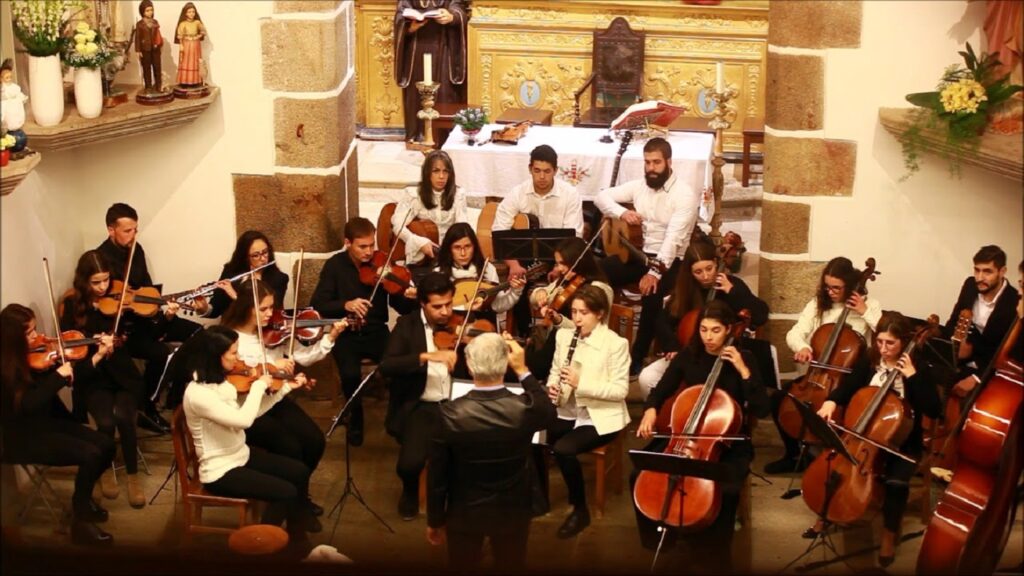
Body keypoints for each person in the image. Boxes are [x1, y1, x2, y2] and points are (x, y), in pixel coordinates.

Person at [633, 300, 770, 572]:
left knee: (726, 489)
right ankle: (662, 537)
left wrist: (743, 370)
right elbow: (661, 389)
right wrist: (650, 410)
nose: (708, 337)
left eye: (716, 330)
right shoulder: (690, 355)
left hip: (726, 442)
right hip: (683, 434)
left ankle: (715, 556)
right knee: (638, 474)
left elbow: (762, 409)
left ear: (729, 329)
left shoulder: (746, 359)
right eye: (704, 330)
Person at [814, 312, 941, 566]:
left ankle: (888, 535)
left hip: (901, 442)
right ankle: (827, 513)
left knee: (895, 483)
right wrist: (830, 401)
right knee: (835, 462)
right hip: (862, 435)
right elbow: (848, 387)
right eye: (880, 342)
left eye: (890, 343)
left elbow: (934, 409)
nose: (883, 349)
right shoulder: (870, 361)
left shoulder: (919, 367)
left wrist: (912, 376)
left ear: (904, 342)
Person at [219, 279, 347, 524]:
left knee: (315, 440)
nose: (271, 315)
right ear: (246, 307)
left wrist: (330, 337)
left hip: (274, 400)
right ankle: (295, 504)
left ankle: (297, 497)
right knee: (291, 448)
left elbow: (305, 357)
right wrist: (268, 368)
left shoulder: (275, 332)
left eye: (272, 308)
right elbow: (233, 382)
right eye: (264, 309)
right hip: (248, 410)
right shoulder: (230, 338)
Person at [426, 333, 556, 571]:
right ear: (505, 363)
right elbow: (549, 412)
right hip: (513, 506)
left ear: (469, 366)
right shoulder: (525, 409)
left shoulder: (449, 414)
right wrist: (523, 369)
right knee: (511, 564)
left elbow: (437, 476)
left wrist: (435, 519)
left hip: (465, 509)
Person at [180, 325, 315, 547]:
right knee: (286, 493)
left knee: (299, 472)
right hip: (220, 471)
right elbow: (244, 421)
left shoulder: (221, 382)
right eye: (233, 352)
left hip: (239, 455)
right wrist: (258, 387)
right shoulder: (199, 395)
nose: (239, 357)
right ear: (215, 356)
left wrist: (285, 388)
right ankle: (259, 546)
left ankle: (295, 537)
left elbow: (251, 412)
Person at [1, 304, 116, 546]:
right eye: (29, 333)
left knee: (106, 444)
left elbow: (74, 373)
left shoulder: (38, 356)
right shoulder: (5, 369)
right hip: (21, 437)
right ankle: (81, 522)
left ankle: (81, 501)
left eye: (35, 329)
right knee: (91, 454)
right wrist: (56, 379)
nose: (37, 337)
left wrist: (97, 353)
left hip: (47, 425)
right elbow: (27, 405)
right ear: (12, 338)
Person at [764, 257, 882, 474]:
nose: (830, 292)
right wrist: (802, 347)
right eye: (827, 286)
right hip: (817, 375)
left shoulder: (871, 306)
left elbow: (884, 338)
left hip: (850, 379)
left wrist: (864, 311)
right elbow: (795, 333)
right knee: (779, 399)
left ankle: (833, 461)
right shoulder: (818, 304)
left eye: (836, 287)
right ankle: (793, 455)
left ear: (850, 284)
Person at [595, 137, 703, 375]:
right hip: (638, 253)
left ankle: (637, 356)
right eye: (647, 162)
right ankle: (598, 341)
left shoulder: (684, 195)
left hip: (672, 260)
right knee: (596, 271)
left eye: (656, 163)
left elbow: (673, 240)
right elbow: (601, 197)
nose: (651, 168)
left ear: (668, 162)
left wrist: (654, 272)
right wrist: (622, 213)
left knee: (651, 295)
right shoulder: (639, 186)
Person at [310, 217, 417, 446]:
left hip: (377, 331)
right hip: (346, 333)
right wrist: (346, 304)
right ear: (347, 243)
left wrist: (407, 295)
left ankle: (397, 419)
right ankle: (354, 418)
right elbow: (318, 303)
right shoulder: (335, 266)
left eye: (372, 245)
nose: (369, 252)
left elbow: (401, 307)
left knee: (400, 368)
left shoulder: (382, 265)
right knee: (349, 375)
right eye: (363, 247)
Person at [59, 250, 148, 508]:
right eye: (95, 282)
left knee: (124, 417)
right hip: (93, 377)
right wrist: (97, 355)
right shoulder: (72, 308)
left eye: (106, 280)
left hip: (122, 374)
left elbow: (133, 330)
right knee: (106, 422)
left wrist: (161, 313)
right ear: (83, 281)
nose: (102, 287)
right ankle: (104, 470)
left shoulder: (117, 301)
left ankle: (133, 477)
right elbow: (74, 358)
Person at [545, 285, 631, 539]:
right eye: (574, 312)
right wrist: (554, 388)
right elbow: (554, 370)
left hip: (601, 416)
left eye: (584, 313)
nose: (578, 318)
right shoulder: (565, 336)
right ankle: (537, 499)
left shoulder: (615, 344)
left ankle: (580, 510)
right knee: (534, 435)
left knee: (563, 449)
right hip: (568, 409)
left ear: (600, 314)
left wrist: (580, 383)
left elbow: (619, 391)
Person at [638, 240, 769, 398]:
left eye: (709, 269)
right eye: (698, 272)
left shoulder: (733, 285)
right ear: (690, 272)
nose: (706, 276)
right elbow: (662, 321)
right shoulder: (684, 290)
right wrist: (672, 346)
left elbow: (761, 315)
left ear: (716, 263)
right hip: (690, 355)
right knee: (647, 378)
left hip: (722, 358)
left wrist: (733, 292)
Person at [379, 272, 459, 520]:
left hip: (458, 403)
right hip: (423, 405)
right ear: (423, 303)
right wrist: (425, 357)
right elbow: (387, 366)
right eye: (437, 307)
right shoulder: (407, 325)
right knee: (409, 464)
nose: (445, 312)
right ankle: (410, 492)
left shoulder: (462, 324)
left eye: (448, 304)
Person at [494, 144, 584, 336]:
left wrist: (559, 266)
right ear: (530, 169)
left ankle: (560, 332)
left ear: (555, 171)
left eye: (547, 171)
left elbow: (575, 237)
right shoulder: (517, 193)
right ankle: (524, 333)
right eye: (537, 171)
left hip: (560, 256)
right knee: (518, 280)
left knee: (569, 285)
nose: (542, 177)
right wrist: (513, 265)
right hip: (524, 254)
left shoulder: (570, 195)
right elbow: (499, 230)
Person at [526, 236, 613, 382]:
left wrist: (558, 320)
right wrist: (540, 293)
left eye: (563, 263)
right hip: (555, 343)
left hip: (579, 349)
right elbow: (534, 298)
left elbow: (587, 331)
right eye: (557, 263)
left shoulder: (599, 289)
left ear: (579, 261)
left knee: (520, 369)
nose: (559, 268)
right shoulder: (566, 280)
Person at [944, 245, 1020, 400]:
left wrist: (977, 378)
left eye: (987, 271)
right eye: (977, 270)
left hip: (990, 368)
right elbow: (953, 321)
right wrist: (955, 345)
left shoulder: (1015, 301)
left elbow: (1010, 352)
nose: (980, 277)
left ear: (1002, 271)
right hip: (962, 359)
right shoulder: (970, 285)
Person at [394, 0, 468, 141]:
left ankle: (443, 136)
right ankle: (419, 135)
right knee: (416, 92)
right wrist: (410, 28)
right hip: (416, 48)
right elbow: (400, 13)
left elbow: (459, 7)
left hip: (445, 47)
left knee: (445, 92)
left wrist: (452, 17)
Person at [391, 150, 467, 271]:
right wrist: (418, 242)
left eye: (445, 171)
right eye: (436, 171)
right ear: (427, 173)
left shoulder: (458, 195)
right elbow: (398, 225)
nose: (441, 177)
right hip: (422, 256)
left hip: (448, 252)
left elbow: (462, 227)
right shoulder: (414, 194)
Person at [432, 222, 524, 322]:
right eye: (457, 247)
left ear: (474, 247)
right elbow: (436, 310)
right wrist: (464, 308)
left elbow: (498, 306)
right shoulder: (438, 273)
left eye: (467, 246)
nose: (463, 253)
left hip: (485, 326)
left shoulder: (488, 269)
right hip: (452, 327)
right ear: (449, 249)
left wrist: (515, 291)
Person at [207, 230, 290, 319]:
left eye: (265, 252)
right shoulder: (230, 272)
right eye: (256, 255)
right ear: (244, 257)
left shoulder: (279, 279)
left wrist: (235, 296)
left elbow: (269, 313)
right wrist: (203, 308)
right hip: (232, 328)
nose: (263, 258)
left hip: (262, 330)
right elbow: (215, 311)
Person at [134, 0, 165, 95]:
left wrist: (159, 45)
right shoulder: (140, 24)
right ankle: (148, 86)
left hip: (155, 49)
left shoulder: (155, 22)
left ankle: (158, 85)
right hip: (145, 49)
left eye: (151, 10)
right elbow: (137, 37)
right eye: (147, 10)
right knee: (146, 68)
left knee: (157, 67)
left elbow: (158, 35)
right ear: (142, 11)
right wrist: (138, 50)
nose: (150, 12)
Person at [174, 2, 206, 87]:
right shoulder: (183, 23)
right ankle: (185, 81)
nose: (191, 14)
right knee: (185, 62)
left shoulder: (197, 22)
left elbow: (203, 32)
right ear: (185, 13)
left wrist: (197, 36)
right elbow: (180, 35)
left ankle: (195, 80)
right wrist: (181, 45)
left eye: (193, 12)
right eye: (189, 12)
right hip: (186, 44)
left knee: (195, 62)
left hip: (195, 45)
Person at [0, 59, 28, 153]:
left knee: (16, 118)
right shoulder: (3, 89)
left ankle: (18, 143)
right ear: (2, 79)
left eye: (10, 77)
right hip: (7, 108)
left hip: (15, 108)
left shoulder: (14, 87)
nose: (9, 80)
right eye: (7, 78)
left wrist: (21, 98)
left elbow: (18, 93)